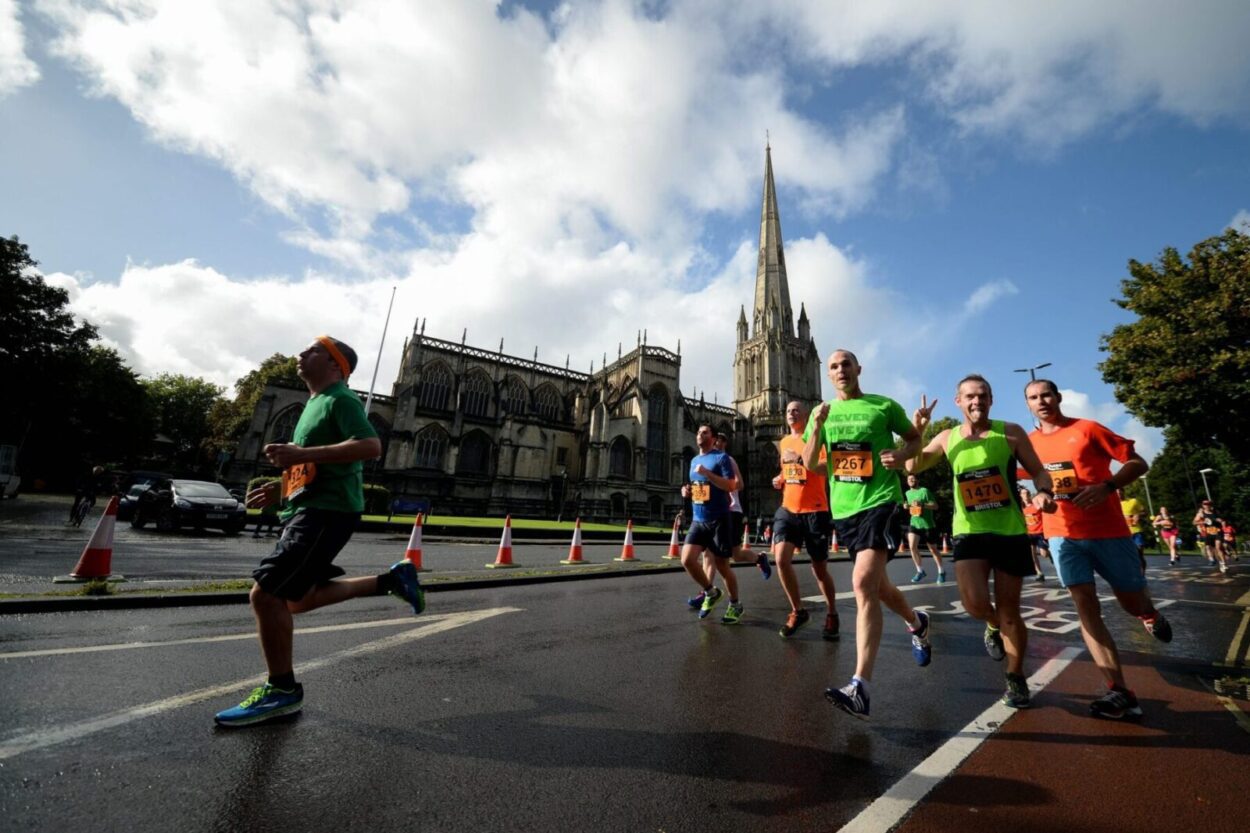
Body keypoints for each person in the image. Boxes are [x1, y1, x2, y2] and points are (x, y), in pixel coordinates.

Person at [214, 336, 426, 728]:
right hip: (306, 508)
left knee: (267, 594)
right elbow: (313, 466)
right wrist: (281, 487)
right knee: (293, 601)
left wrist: (303, 454)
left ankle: (282, 690)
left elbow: (370, 446)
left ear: (335, 364)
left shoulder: (341, 399)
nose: (300, 354)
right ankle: (390, 581)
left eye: (312, 351)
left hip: (328, 511)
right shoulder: (314, 403)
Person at [1024, 378, 1173, 721]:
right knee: (1086, 607)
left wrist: (1108, 486)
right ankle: (1119, 690)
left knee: (1131, 601)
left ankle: (1148, 613)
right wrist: (1039, 495)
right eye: (1033, 397)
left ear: (1058, 397)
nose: (1041, 401)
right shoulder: (1028, 445)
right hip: (1062, 535)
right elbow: (1030, 480)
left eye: (1046, 394)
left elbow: (1138, 463)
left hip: (1108, 532)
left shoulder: (1088, 429)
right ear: (1028, 405)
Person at [908, 376, 1054, 709]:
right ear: (958, 401)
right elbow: (912, 466)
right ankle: (991, 625)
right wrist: (918, 432)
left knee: (1011, 613)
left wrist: (1045, 491)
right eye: (970, 397)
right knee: (974, 603)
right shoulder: (947, 438)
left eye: (983, 396)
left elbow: (1038, 471)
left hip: (1009, 531)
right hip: (969, 532)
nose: (977, 402)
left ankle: (1016, 677)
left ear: (991, 399)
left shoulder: (1012, 432)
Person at [804, 349, 932, 720]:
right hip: (845, 510)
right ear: (827, 375)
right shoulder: (820, 412)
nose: (841, 370)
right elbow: (812, 462)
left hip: (882, 502)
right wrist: (817, 426)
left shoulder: (883, 405)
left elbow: (913, 442)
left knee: (861, 583)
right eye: (834, 366)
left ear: (858, 369)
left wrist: (900, 452)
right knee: (877, 587)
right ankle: (917, 622)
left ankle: (860, 686)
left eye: (846, 364)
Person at [770, 401, 839, 640]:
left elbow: (826, 467)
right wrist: (779, 478)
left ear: (807, 415)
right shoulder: (784, 442)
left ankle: (832, 612)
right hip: (788, 508)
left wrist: (804, 460)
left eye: (796, 410)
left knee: (819, 570)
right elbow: (788, 470)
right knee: (780, 559)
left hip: (815, 509)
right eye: (788, 410)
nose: (791, 413)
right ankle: (798, 611)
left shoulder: (817, 437)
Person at [680, 424, 747, 624]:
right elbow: (697, 486)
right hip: (698, 519)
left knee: (722, 565)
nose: (700, 435)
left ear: (713, 437)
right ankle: (711, 591)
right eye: (698, 432)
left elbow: (732, 485)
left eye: (705, 432)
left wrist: (708, 474)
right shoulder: (694, 460)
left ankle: (735, 604)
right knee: (687, 560)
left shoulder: (721, 458)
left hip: (719, 518)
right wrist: (687, 491)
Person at [714, 431, 771, 579]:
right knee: (725, 555)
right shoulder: (709, 461)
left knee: (733, 555)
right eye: (714, 440)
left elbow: (741, 485)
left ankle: (714, 592)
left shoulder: (729, 460)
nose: (716, 443)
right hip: (716, 511)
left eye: (719, 440)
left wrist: (723, 486)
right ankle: (709, 590)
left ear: (724, 443)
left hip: (732, 511)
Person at [904, 473, 945, 583]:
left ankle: (941, 572)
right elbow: (911, 507)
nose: (911, 481)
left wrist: (923, 504)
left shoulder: (924, 491)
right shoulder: (907, 493)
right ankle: (920, 571)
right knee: (912, 546)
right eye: (909, 479)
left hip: (927, 525)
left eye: (913, 479)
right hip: (914, 523)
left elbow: (935, 506)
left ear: (917, 480)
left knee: (933, 550)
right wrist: (906, 506)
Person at [1020, 487, 1050, 580]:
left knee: (1044, 554)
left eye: (1027, 493)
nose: (1026, 495)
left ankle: (1051, 555)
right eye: (1024, 493)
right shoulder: (1021, 508)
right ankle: (1039, 573)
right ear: (1021, 495)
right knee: (1031, 554)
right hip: (1029, 533)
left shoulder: (1036, 505)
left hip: (1040, 532)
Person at [1193, 500, 1228, 574]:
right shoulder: (1201, 514)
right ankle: (1213, 560)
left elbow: (1222, 520)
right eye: (1205, 504)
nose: (1207, 505)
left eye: (1208, 504)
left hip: (1218, 532)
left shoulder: (1215, 512)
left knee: (1218, 548)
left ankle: (1223, 564)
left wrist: (1221, 521)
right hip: (1208, 533)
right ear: (1203, 505)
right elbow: (1194, 522)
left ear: (1210, 505)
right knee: (1208, 547)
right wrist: (1203, 522)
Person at [1119, 489, 1147, 572]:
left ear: (1123, 492)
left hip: (1136, 531)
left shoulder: (1133, 501)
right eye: (1116, 492)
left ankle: (1142, 576)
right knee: (1126, 556)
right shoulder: (1112, 505)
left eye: (1120, 491)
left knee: (1139, 554)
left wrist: (1138, 515)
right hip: (1122, 534)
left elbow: (1145, 512)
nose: (1118, 494)